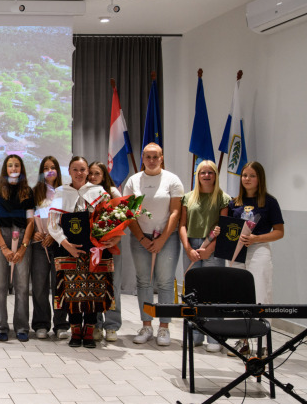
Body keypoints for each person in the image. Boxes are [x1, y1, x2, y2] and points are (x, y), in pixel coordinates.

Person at [48, 156, 119, 348]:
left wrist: (107, 238)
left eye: (83, 170)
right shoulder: (61, 192)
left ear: (88, 172)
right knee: (71, 292)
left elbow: (109, 221)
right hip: (68, 250)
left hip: (95, 251)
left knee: (93, 292)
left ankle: (89, 331)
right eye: (75, 169)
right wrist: (67, 244)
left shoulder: (99, 192)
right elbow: (52, 223)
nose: (79, 173)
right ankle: (75, 332)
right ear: (69, 171)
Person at [124, 143, 184, 346]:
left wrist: (162, 239)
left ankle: (164, 328)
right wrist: (142, 238)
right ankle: (146, 325)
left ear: (161, 158)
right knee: (143, 282)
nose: (151, 160)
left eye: (155, 157)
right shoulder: (133, 181)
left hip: (167, 238)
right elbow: (129, 213)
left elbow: (176, 212)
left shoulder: (172, 180)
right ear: (142, 158)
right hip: (140, 237)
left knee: (166, 282)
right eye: (147, 157)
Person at [227, 162, 284, 356]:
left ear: (259, 178)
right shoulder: (234, 203)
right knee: (237, 297)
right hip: (236, 252)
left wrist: (256, 238)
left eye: (251, 176)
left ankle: (263, 343)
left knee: (260, 295)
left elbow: (279, 232)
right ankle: (242, 341)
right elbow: (229, 229)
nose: (247, 179)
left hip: (258, 250)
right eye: (244, 175)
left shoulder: (269, 202)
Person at [178, 160, 230, 353]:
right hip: (191, 245)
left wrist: (210, 249)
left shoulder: (223, 199)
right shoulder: (187, 198)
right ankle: (195, 334)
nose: (206, 176)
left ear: (215, 176)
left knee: (213, 293)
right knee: (193, 293)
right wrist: (188, 248)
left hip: (213, 248)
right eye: (202, 172)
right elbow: (182, 225)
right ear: (197, 175)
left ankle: (215, 336)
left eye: (210, 172)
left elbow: (223, 227)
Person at [0, 154, 35, 342]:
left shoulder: (28, 191)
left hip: (23, 236)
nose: (13, 169)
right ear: (5, 169)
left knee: (22, 286)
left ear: (21, 169)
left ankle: (22, 327)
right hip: (1, 235)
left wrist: (23, 247)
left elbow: (31, 221)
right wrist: (3, 248)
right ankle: (1, 327)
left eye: (17, 165)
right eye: (10, 166)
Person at [30, 156, 67, 340]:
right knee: (39, 286)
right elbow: (29, 217)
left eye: (53, 167)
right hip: (39, 244)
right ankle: (41, 324)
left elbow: (67, 218)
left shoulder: (64, 191)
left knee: (59, 286)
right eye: (46, 167)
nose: (49, 170)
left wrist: (54, 234)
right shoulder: (34, 191)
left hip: (59, 244)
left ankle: (60, 324)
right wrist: (34, 233)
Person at [88, 161, 123, 343]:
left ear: (104, 176)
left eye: (97, 174)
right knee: (94, 287)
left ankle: (111, 325)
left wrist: (115, 238)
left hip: (111, 245)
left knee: (112, 286)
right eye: (90, 174)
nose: (93, 177)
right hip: (92, 247)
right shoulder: (84, 193)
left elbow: (124, 219)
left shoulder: (112, 193)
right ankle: (96, 324)